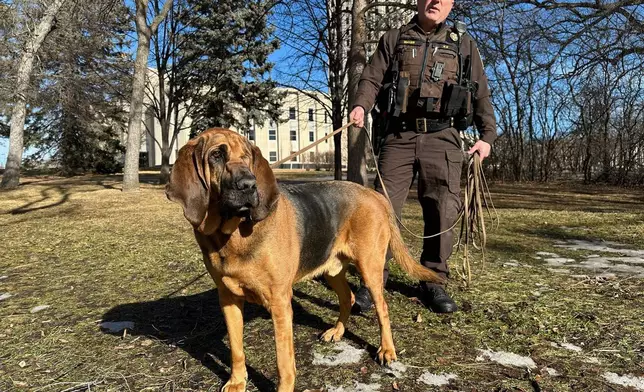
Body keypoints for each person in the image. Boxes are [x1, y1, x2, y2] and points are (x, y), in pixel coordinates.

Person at [349, 0, 497, 314]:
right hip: (399, 136)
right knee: (381, 209)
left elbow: (481, 91)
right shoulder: (394, 38)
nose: (435, 2)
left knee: (442, 209)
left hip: (443, 138)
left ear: (451, 3)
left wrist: (487, 136)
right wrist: (361, 105)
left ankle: (433, 282)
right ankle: (373, 281)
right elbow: (372, 78)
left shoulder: (464, 44)